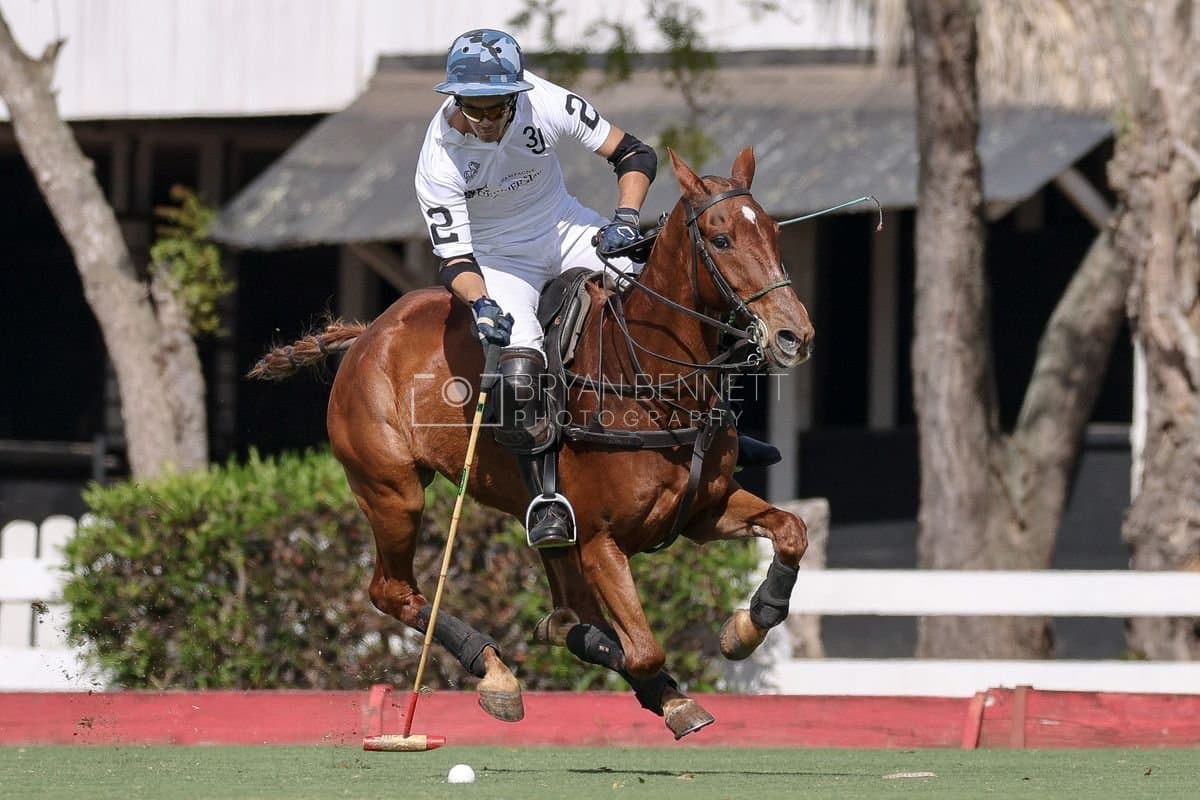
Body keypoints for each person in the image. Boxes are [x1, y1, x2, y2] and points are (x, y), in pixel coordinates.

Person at [415, 29, 779, 549]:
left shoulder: (544, 101)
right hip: (499, 258)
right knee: (519, 367)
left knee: (674, 295)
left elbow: (633, 153)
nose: (489, 119)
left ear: (517, 92)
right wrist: (481, 303)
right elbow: (456, 259)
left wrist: (625, 219)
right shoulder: (437, 161)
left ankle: (723, 431)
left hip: (564, 227)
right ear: (456, 99)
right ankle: (546, 498)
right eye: (476, 108)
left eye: (499, 106)